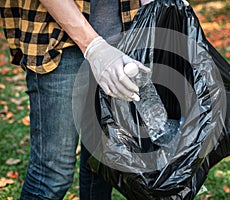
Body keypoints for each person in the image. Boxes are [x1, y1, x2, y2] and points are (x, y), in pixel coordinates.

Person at [0, 0, 153, 199]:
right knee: (52, 176)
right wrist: (94, 47)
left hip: (124, 33)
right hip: (60, 41)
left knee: (101, 165)